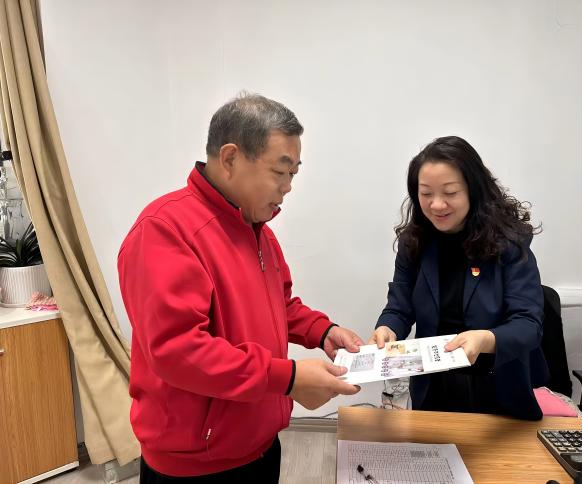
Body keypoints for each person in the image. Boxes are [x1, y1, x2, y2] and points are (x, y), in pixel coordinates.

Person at [118, 93, 363, 482]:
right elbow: (178, 350)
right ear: (230, 158)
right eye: (279, 171)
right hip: (195, 467)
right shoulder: (165, 230)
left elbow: (280, 305)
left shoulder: (258, 231)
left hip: (259, 444)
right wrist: (288, 378)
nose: (288, 187)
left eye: (294, 174)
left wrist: (322, 330)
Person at [368, 135, 548, 420]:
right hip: (434, 390)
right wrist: (387, 328)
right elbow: (399, 307)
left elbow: (528, 324)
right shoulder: (414, 242)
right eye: (426, 194)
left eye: (450, 193)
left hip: (497, 391)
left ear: (473, 190)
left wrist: (485, 339)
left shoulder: (509, 243)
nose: (437, 205)